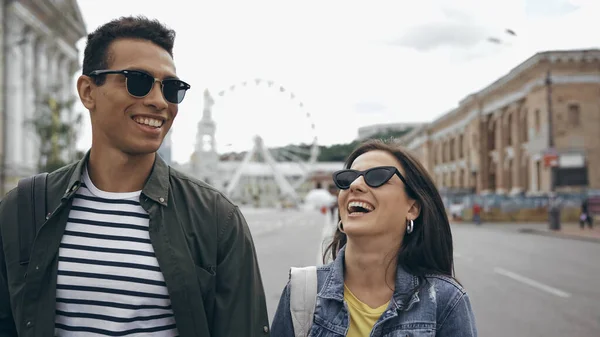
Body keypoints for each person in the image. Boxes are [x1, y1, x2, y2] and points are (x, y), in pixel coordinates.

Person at [0, 16, 270, 336]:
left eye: (171, 88)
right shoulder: (24, 207)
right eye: (137, 80)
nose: (158, 101)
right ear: (88, 91)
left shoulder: (216, 218)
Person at [271, 139, 477, 336]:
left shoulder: (445, 301)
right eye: (348, 178)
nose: (355, 185)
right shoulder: (301, 293)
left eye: (378, 176)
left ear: (412, 208)